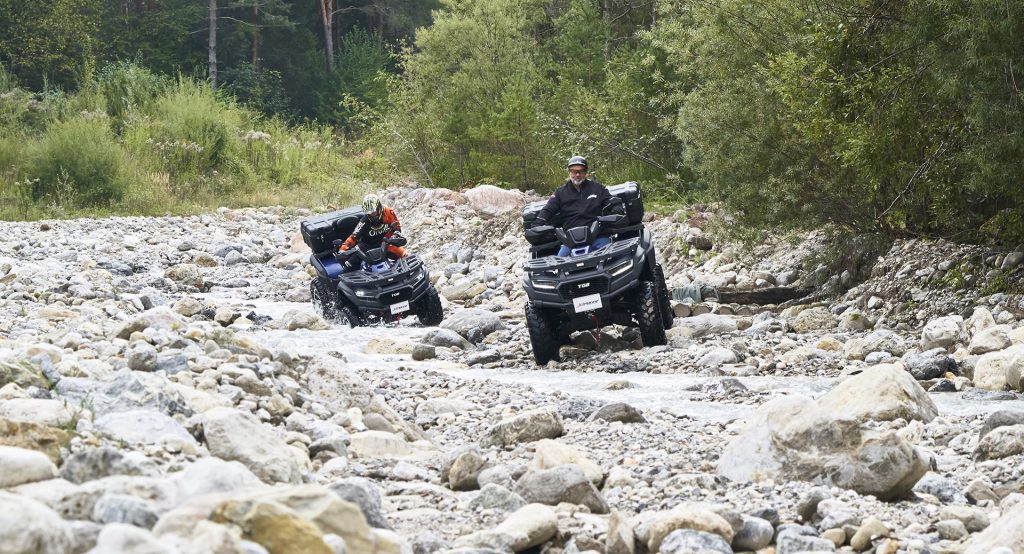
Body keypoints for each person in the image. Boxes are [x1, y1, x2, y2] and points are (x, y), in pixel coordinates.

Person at [535, 155, 623, 256]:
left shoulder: (597, 188)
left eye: (580, 171)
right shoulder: (560, 192)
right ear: (569, 172)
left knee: (615, 257)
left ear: (585, 172)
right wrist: (537, 224)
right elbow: (548, 209)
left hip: (597, 236)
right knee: (556, 267)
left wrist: (617, 209)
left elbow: (610, 201)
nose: (577, 174)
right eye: (573, 171)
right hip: (570, 242)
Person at [337, 193, 407, 272]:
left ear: (379, 207)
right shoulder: (364, 221)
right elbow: (353, 236)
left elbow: (397, 227)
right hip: (367, 246)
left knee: (405, 255)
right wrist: (343, 249)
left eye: (373, 211)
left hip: (385, 243)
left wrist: (395, 236)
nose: (372, 214)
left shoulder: (388, 212)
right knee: (348, 264)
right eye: (369, 212)